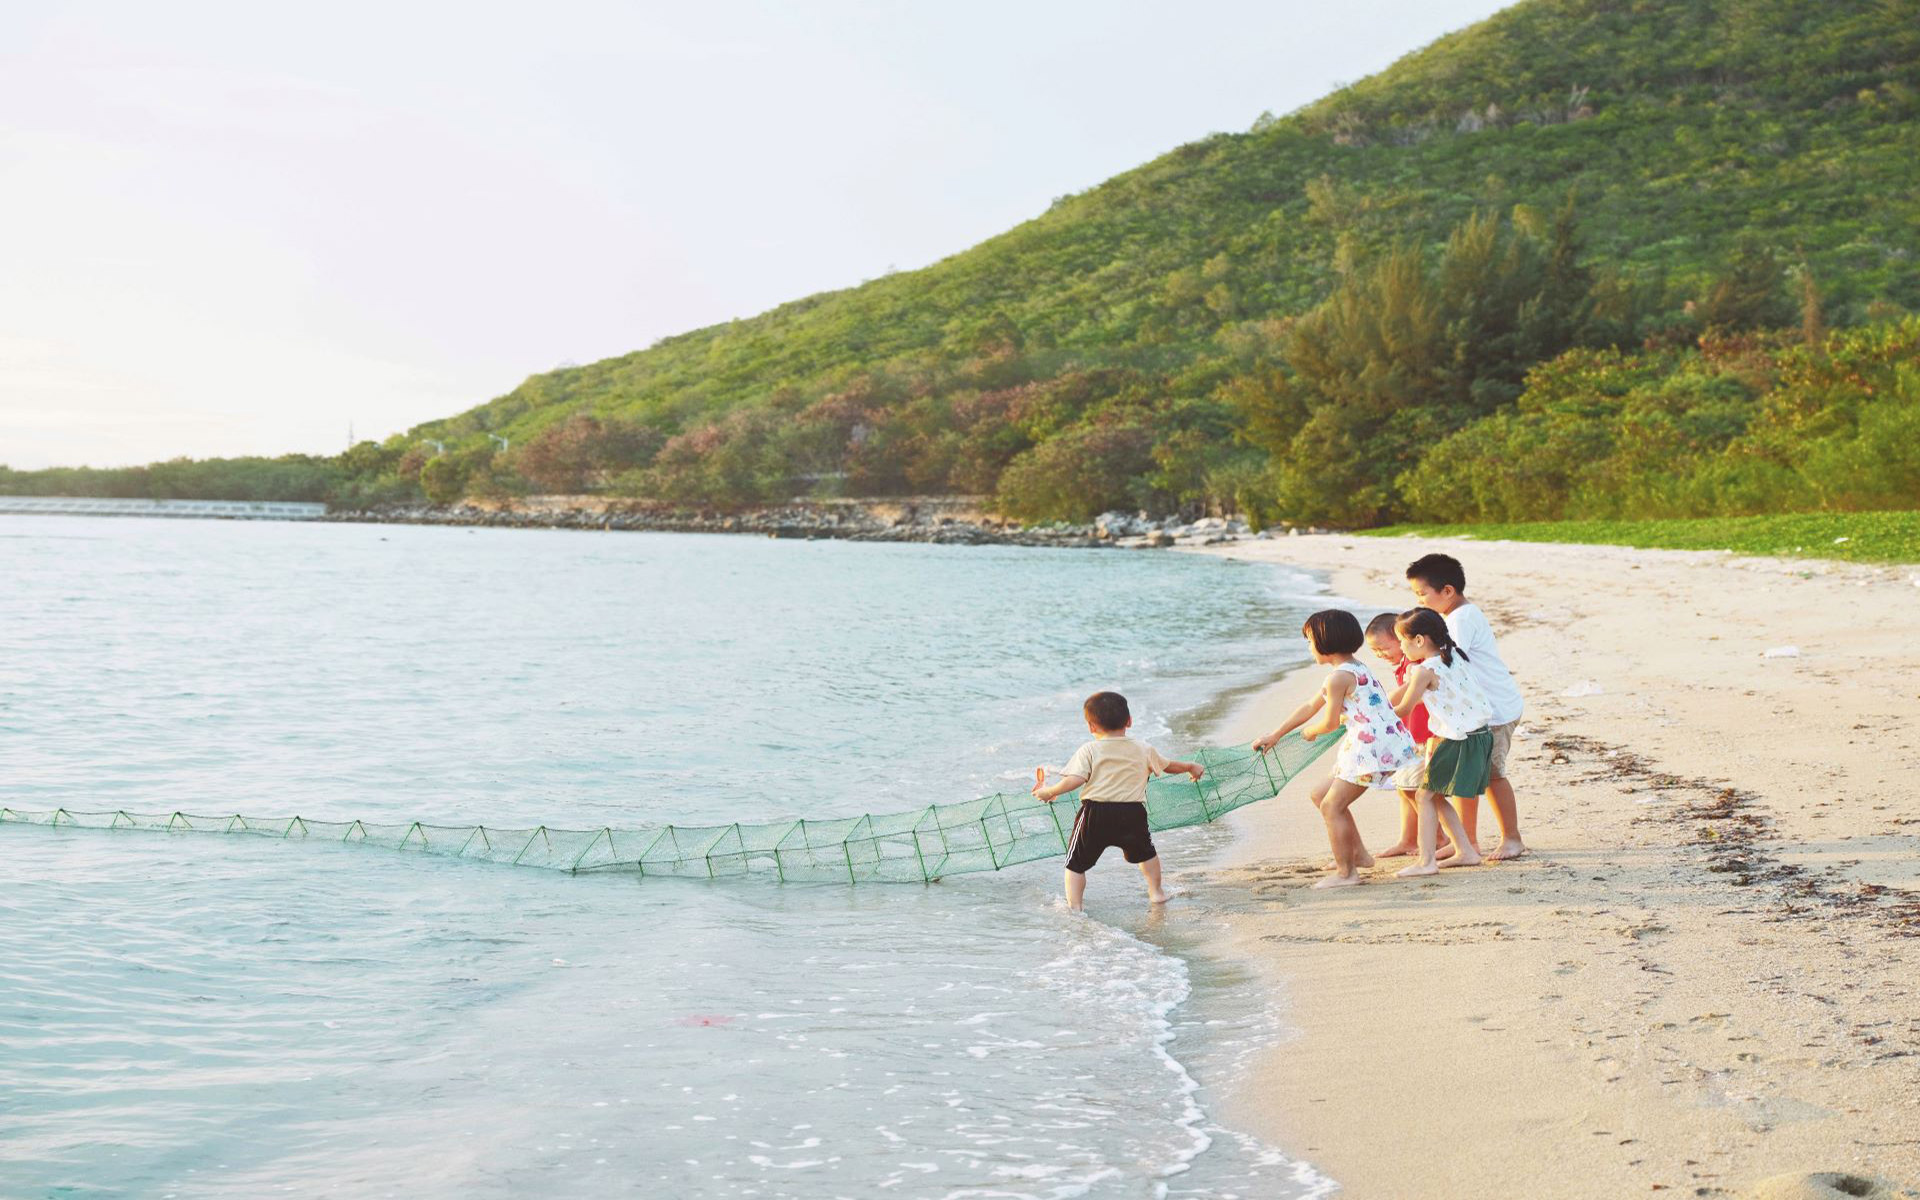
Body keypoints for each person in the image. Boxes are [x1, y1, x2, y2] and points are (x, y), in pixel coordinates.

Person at [1253, 610, 1417, 889]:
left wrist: (1310, 732)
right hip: (1376, 743)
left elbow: (1327, 722)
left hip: (1372, 749)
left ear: (1324, 642)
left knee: (1332, 805)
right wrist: (1276, 734)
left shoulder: (1338, 678)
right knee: (1320, 795)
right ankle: (1358, 854)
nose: (1308, 648)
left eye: (1309, 641)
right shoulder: (1355, 668)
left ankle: (1346, 873)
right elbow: (1309, 706)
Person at [1031, 691, 1205, 912]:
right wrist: (1190, 766)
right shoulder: (1143, 748)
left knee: (1075, 864)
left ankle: (1075, 907)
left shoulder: (1089, 749)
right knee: (1146, 854)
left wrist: (1050, 791)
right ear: (1129, 721)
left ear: (1091, 727)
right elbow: (1168, 765)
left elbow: (1076, 779)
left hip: (1096, 813)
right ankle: (1157, 892)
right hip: (1132, 813)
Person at [1406, 553, 1529, 860]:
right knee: (1467, 775)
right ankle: (1467, 841)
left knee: (1492, 775)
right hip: (1472, 715)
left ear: (1447, 591)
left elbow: (1442, 666)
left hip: (1494, 711)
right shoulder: (1453, 617)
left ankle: (1511, 838)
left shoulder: (1461, 620)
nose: (1419, 601)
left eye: (1422, 594)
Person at [1389, 608, 1491, 877]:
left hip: (1457, 739)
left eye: (1402, 640)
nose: (1401, 647)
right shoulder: (1455, 656)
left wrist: (1364, 715)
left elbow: (1403, 708)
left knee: (1423, 795)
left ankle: (1426, 861)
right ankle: (1465, 851)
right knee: (1432, 795)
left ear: (1420, 640)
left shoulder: (1424, 670)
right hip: (1478, 734)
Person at [1365, 611, 1438, 859]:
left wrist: (1379, 710)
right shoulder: (1404, 665)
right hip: (1411, 735)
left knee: (1414, 789)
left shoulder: (1416, 665)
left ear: (1401, 638)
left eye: (1384, 648)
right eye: (1375, 652)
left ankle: (1439, 838)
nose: (1380, 655)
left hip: (1425, 734)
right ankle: (1408, 839)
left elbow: (1409, 696)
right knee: (1403, 788)